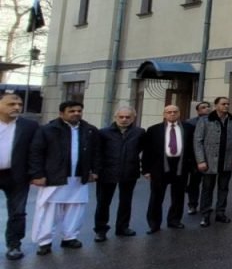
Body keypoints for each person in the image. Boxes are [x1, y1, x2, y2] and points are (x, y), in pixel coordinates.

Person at [28, 100, 100, 255]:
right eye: (71, 111)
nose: (76, 113)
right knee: (49, 210)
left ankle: (70, 237)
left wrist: (95, 171)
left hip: (79, 177)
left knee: (76, 208)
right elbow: (36, 153)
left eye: (79, 110)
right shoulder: (48, 130)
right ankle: (45, 241)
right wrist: (37, 175)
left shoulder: (89, 130)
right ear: (62, 113)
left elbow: (96, 153)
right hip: (54, 176)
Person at [142, 105, 196, 234]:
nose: (172, 114)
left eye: (175, 112)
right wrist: (146, 170)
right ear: (164, 114)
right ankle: (154, 224)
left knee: (178, 195)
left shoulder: (189, 128)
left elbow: (193, 148)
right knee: (156, 197)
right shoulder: (154, 130)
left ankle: (174, 220)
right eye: (169, 112)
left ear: (179, 113)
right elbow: (147, 151)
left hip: (180, 166)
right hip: (159, 167)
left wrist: (193, 166)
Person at [93, 106, 144, 241]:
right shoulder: (104, 133)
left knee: (126, 202)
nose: (124, 119)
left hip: (129, 172)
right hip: (107, 172)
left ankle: (122, 227)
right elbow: (97, 153)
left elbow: (141, 150)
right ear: (115, 118)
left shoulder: (139, 132)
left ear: (133, 118)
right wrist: (96, 171)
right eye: (121, 117)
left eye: (128, 117)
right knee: (103, 203)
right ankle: (101, 230)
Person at [0, 92, 39, 260]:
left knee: (17, 212)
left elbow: (36, 152)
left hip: (17, 175)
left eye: (19, 104)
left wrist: (36, 173)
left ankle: (14, 245)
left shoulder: (29, 126)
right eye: (11, 104)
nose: (17, 107)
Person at [194, 96, 232, 227]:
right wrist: (201, 160)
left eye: (228, 104)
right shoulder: (205, 120)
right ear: (216, 106)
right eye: (223, 104)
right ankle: (205, 214)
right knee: (207, 188)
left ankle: (220, 212)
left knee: (223, 188)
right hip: (209, 161)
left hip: (227, 160)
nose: (226, 106)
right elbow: (198, 141)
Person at [184, 101, 211, 214]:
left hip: (210, 157)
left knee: (208, 184)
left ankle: (206, 205)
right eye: (203, 107)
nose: (207, 109)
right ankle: (192, 205)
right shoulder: (190, 123)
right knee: (194, 183)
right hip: (194, 158)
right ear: (198, 110)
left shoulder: (215, 121)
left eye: (208, 107)